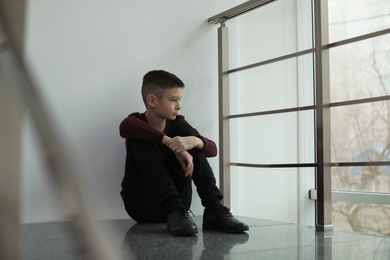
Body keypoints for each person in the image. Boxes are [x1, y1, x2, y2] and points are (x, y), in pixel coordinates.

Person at [119, 70, 249, 236]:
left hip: (180, 211)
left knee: (184, 131)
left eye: (179, 99)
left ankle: (214, 208)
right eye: (173, 100)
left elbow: (213, 149)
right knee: (140, 137)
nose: (179, 106)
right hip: (143, 205)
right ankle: (174, 207)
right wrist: (170, 143)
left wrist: (194, 141)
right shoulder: (134, 124)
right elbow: (126, 126)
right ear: (152, 100)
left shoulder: (178, 123)